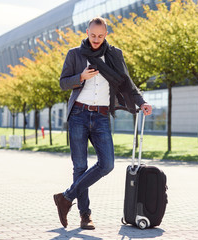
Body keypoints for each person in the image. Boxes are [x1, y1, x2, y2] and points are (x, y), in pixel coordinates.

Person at [53, 16, 152, 230]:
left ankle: (66, 197)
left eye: (100, 35)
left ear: (106, 34)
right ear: (87, 33)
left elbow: (127, 82)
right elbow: (62, 83)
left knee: (107, 164)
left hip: (101, 116)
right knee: (80, 167)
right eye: (93, 35)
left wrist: (141, 102)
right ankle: (85, 215)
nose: (96, 39)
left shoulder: (114, 55)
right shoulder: (75, 54)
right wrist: (80, 76)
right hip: (78, 114)